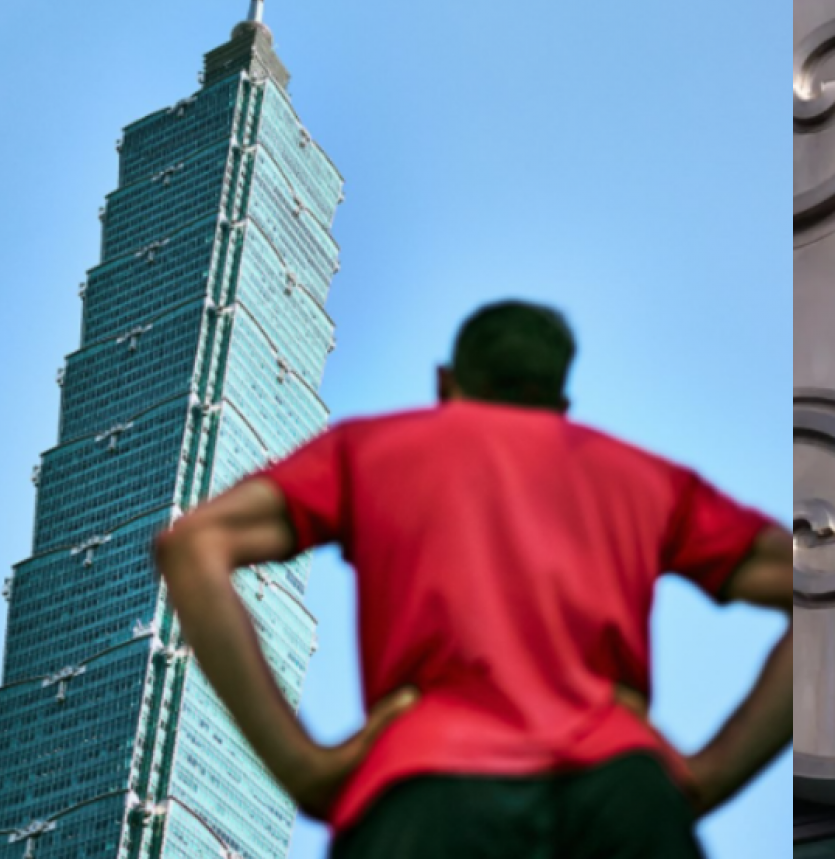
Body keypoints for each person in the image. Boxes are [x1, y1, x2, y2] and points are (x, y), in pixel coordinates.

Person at [155, 300, 792, 858]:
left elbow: (193, 546)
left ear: (445, 382)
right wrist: (711, 775)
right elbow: (812, 581)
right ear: (560, 404)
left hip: (429, 795)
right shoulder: (649, 480)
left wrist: (302, 767)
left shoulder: (371, 451)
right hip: (621, 795)